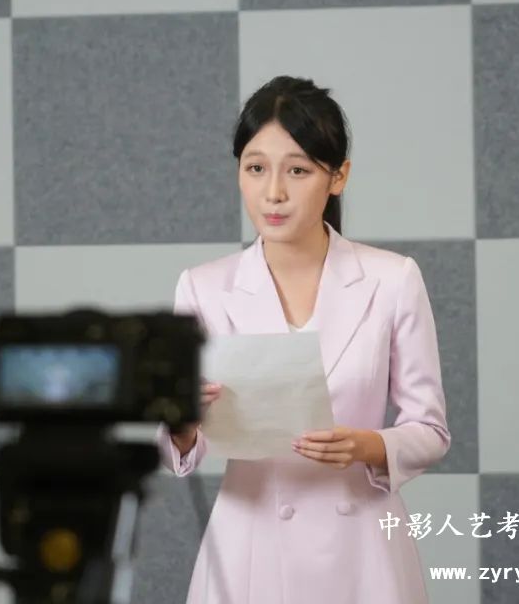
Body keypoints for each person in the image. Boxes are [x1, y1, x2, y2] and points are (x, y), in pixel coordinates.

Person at [155, 76, 451, 603]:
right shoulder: (202, 288)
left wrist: (367, 445)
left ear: (338, 177)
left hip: (362, 549)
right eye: (255, 168)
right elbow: (181, 449)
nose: (273, 192)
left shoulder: (392, 279)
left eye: (297, 170)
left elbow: (429, 429)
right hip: (249, 547)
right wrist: (181, 421)